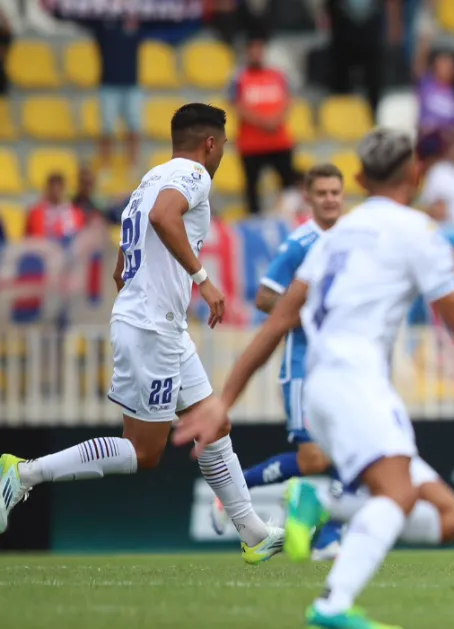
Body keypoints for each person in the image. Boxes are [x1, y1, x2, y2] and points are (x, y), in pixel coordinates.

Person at [173, 128, 454, 628]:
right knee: (396, 496)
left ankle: (328, 519)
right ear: (415, 174)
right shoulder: (417, 231)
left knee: (450, 518)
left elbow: (276, 321)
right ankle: (330, 589)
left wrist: (224, 399)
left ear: (358, 179)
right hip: (355, 384)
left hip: (322, 388)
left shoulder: (334, 237)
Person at [0, 104, 285, 564]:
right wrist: (202, 280)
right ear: (210, 143)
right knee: (143, 450)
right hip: (152, 326)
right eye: (223, 146)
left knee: (213, 424)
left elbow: (123, 264)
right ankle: (23, 473)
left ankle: (253, 533)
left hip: (158, 324)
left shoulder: (150, 178)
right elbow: (163, 217)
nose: (222, 154)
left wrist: (145, 298)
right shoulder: (193, 174)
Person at [210, 164, 347, 561]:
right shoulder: (300, 243)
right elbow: (265, 297)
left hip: (339, 366)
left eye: (335, 192)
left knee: (346, 451)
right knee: (314, 458)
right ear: (309, 198)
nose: (330, 199)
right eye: (322, 193)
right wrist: (310, 312)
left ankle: (327, 537)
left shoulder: (350, 239)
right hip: (302, 365)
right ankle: (239, 493)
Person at [229, 28, 295, 216]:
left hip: (280, 141)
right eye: (252, 49)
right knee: (252, 188)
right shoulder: (239, 77)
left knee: (288, 183)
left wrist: (276, 119)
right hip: (251, 145)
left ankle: (288, 216)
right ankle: (255, 221)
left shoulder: (278, 75)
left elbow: (288, 100)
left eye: (259, 49)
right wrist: (264, 122)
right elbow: (237, 105)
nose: (256, 53)